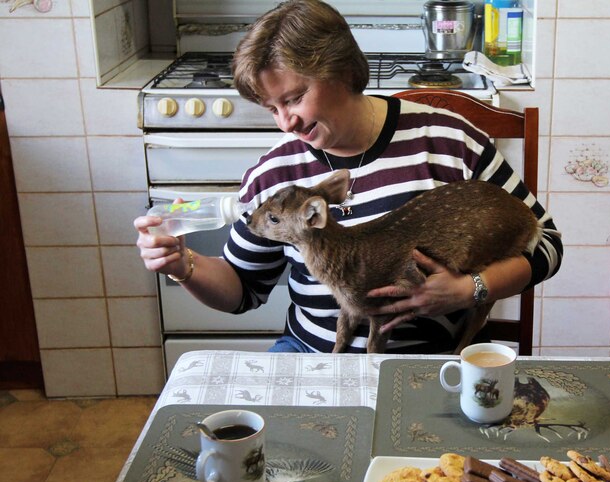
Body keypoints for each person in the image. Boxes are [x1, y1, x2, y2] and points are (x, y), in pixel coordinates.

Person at [134, 0, 563, 354]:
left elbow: (547, 244)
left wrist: (472, 289)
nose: (287, 122)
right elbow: (242, 290)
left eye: (296, 98)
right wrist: (183, 266)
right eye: (272, 108)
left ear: (342, 71)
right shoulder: (278, 175)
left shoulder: (448, 140)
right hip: (313, 355)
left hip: (432, 363)